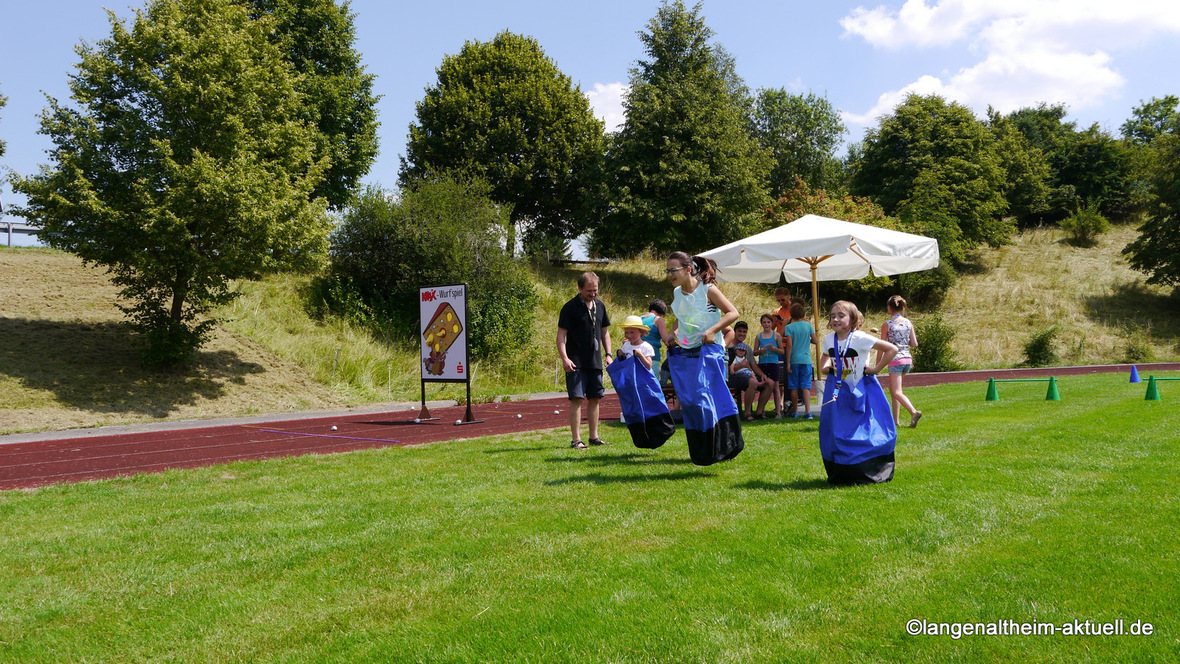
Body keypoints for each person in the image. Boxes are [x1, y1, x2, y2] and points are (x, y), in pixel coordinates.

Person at [666, 251, 744, 465]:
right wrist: (674, 331)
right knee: (694, 402)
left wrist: (712, 330)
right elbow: (681, 316)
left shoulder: (707, 289)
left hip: (710, 351)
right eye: (667, 271)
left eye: (673, 270)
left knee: (711, 399)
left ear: (688, 269)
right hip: (687, 351)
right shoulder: (677, 293)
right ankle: (708, 448)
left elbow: (732, 313)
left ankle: (728, 444)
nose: (670, 274)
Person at [818, 300, 899, 484]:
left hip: (861, 389)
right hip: (838, 391)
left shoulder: (860, 338)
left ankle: (869, 469)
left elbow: (892, 349)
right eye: (832, 316)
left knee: (865, 428)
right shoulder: (829, 339)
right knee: (836, 430)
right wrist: (827, 368)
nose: (835, 319)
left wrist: (876, 369)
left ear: (853, 318)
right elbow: (824, 361)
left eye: (841, 315)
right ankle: (842, 472)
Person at [556, 272, 613, 449]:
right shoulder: (569, 307)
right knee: (577, 399)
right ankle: (576, 440)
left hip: (594, 361)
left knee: (595, 398)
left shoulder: (600, 306)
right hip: (576, 361)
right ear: (580, 288)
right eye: (589, 291)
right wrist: (565, 358)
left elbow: (605, 332)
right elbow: (560, 336)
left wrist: (609, 354)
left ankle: (594, 437)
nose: (593, 294)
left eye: (595, 290)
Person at [880, 294, 922, 428]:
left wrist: (877, 364)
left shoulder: (886, 324)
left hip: (895, 360)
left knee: (897, 392)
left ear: (889, 308)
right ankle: (895, 421)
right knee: (895, 390)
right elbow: (914, 343)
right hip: (907, 360)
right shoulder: (908, 322)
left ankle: (913, 412)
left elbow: (881, 345)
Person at [727, 321, 774, 421]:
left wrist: (762, 375)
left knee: (770, 383)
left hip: (747, 374)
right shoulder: (729, 346)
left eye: (744, 332)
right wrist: (742, 365)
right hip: (732, 376)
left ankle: (759, 412)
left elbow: (753, 364)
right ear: (734, 332)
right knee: (752, 381)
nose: (742, 334)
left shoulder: (746, 348)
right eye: (739, 331)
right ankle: (747, 414)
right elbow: (729, 369)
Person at [783, 301, 819, 420]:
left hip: (794, 360)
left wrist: (787, 362)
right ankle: (808, 411)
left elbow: (789, 345)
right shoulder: (808, 326)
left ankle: (796, 412)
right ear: (803, 314)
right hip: (806, 359)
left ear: (791, 314)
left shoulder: (789, 327)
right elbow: (816, 341)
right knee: (806, 386)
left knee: (793, 387)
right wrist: (807, 340)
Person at [753, 313, 786, 418]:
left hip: (773, 363)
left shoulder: (776, 335)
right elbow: (754, 352)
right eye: (764, 322)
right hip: (762, 363)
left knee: (776, 387)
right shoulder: (759, 336)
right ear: (761, 324)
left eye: (768, 322)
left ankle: (778, 412)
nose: (766, 324)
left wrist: (774, 349)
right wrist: (760, 351)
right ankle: (761, 411)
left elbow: (782, 351)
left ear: (772, 323)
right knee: (764, 386)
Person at [640, 299, 669, 381]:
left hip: (638, 355)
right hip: (652, 356)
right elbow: (665, 339)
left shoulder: (640, 318)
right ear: (661, 313)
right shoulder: (658, 320)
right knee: (652, 382)